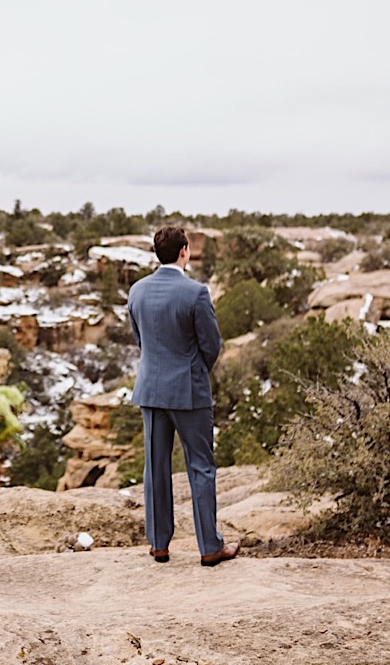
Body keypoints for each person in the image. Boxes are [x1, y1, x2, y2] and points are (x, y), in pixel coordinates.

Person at [125, 225, 238, 567]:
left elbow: (140, 339)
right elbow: (211, 344)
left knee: (155, 466)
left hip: (150, 388)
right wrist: (193, 370)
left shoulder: (137, 291)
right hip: (189, 391)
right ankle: (209, 547)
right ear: (184, 251)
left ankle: (159, 544)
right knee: (200, 466)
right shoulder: (196, 293)